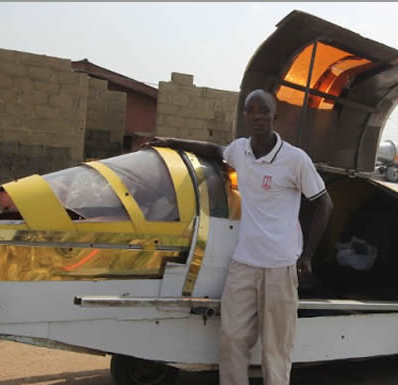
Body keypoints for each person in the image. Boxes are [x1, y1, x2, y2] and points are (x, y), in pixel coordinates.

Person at [143, 89, 333, 385]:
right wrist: (170, 142)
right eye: (252, 111)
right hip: (244, 264)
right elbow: (213, 149)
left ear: (274, 116)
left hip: (280, 266)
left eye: (264, 111)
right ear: (245, 116)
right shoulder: (239, 151)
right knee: (232, 340)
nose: (258, 116)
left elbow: (323, 203)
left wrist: (307, 255)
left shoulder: (295, 160)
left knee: (275, 348)